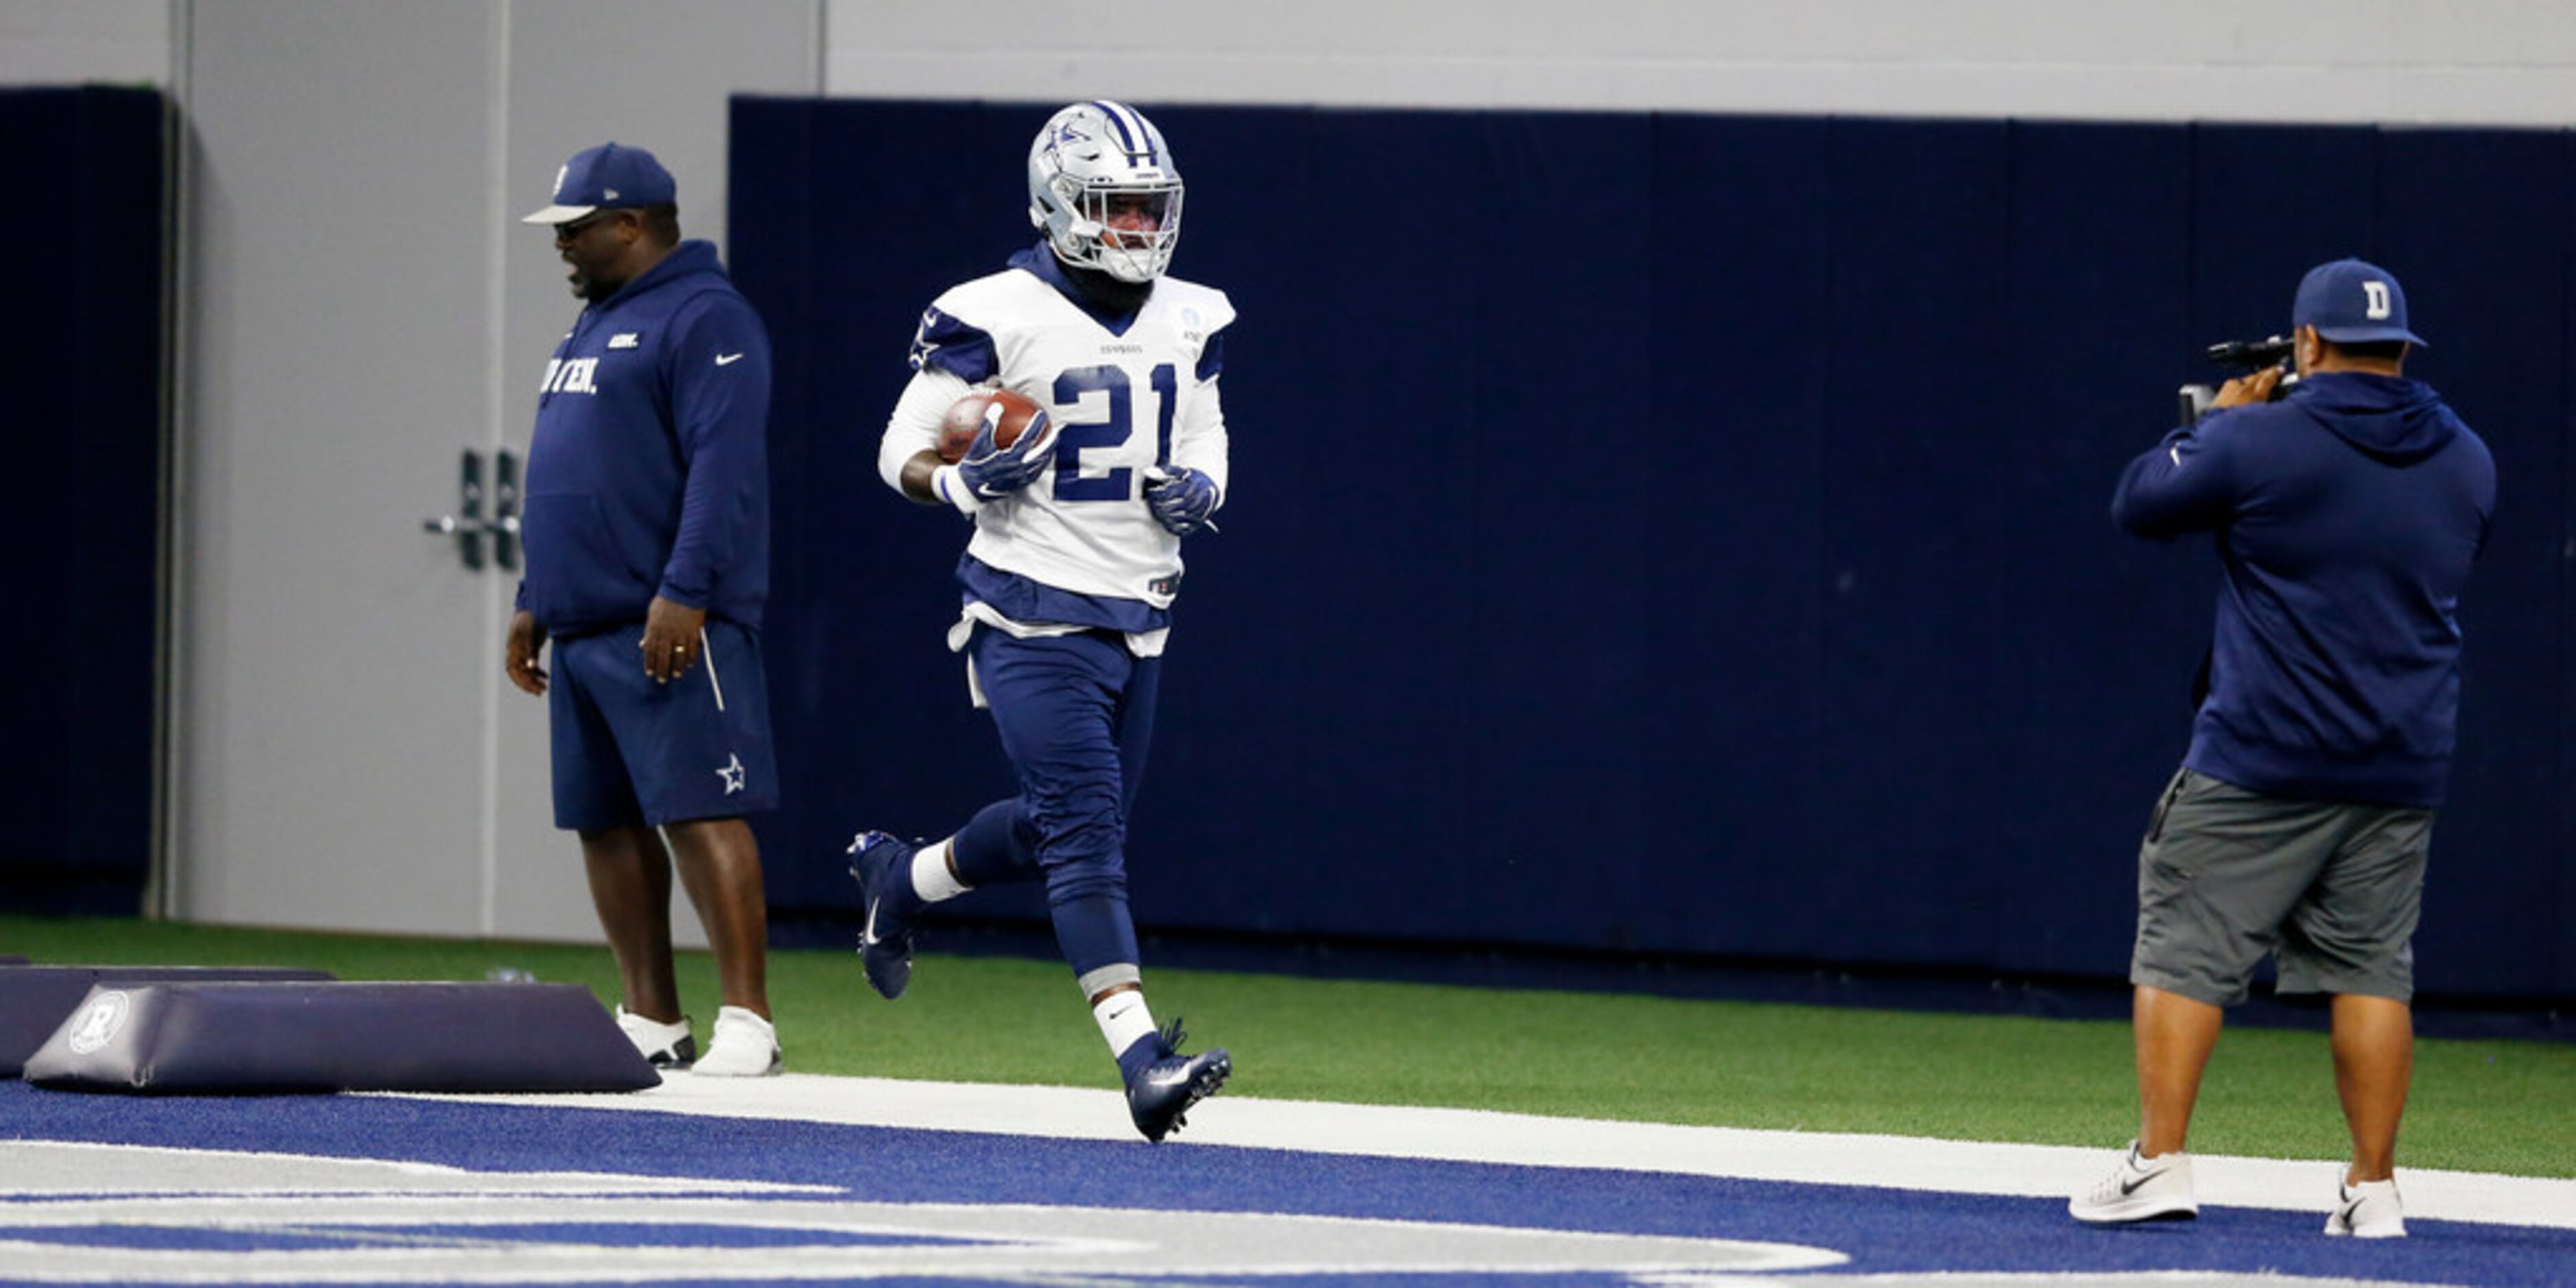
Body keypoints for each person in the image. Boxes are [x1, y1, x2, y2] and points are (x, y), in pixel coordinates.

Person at [2071, 259, 2495, 1236]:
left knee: (2183, 939)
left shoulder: (2259, 438)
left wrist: (2217, 423)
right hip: (2401, 754)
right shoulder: (2467, 453)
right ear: (2400, 349)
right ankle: (2373, 1190)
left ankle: (2162, 1160)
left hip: (2264, 751)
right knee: (2375, 969)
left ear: (2307, 344)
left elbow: (2141, 504)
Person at [846, 100, 1233, 1141]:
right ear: (1059, 202)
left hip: (1140, 607)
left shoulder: (1190, 312)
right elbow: (899, 452)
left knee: (1068, 824)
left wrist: (1201, 485)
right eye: (1116, 206)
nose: (1140, 229)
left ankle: (903, 876)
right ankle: (1143, 1060)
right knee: (1089, 839)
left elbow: (1205, 427)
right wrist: (966, 482)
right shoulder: (994, 311)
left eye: (1153, 207)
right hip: (1026, 611)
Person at [503, 142, 783, 1077]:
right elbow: (567, 473)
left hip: (665, 616)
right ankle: (652, 1014)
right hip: (582, 621)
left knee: (699, 807)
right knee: (605, 819)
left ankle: (748, 1017)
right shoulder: (593, 325)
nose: (563, 247)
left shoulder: (706, 316)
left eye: (576, 229)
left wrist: (687, 590)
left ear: (631, 223)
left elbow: (725, 464)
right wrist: (531, 597)